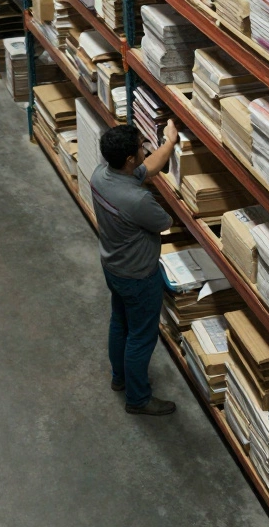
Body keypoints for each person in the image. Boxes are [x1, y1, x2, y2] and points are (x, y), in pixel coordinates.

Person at [90, 121, 179, 416]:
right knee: (141, 337)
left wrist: (169, 143)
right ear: (130, 159)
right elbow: (164, 223)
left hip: (113, 267)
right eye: (142, 146)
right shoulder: (137, 199)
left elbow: (148, 168)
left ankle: (120, 378)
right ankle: (138, 399)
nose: (145, 150)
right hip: (139, 277)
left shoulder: (101, 175)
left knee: (120, 323)